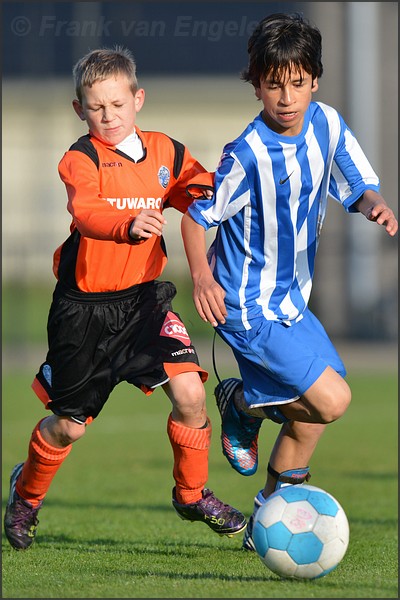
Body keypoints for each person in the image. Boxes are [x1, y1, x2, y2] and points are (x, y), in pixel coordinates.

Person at [4, 46, 247, 551]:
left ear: (138, 99)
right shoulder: (80, 158)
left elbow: (203, 191)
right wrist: (127, 225)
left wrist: (238, 186)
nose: (108, 116)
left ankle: (192, 494)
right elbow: (89, 211)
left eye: (117, 104)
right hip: (83, 312)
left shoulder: (167, 152)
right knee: (67, 428)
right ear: (80, 110)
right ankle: (26, 495)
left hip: (144, 305)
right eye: (96, 107)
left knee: (191, 394)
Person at [181, 12, 398, 552]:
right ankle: (243, 406)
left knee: (311, 422)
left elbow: (357, 181)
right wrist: (202, 276)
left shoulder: (327, 123)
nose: (286, 96)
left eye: (297, 82)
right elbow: (194, 216)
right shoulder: (246, 153)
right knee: (332, 400)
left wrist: (374, 205)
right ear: (255, 83)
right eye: (273, 83)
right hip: (245, 306)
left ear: (315, 80)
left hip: (292, 304)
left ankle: (264, 522)